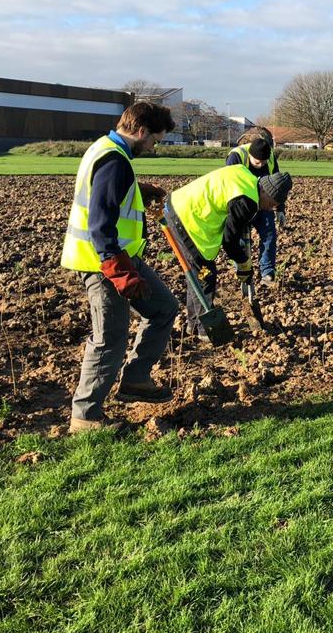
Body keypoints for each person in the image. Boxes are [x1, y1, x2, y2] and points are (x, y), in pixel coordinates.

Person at [60, 102, 180, 434]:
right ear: (141, 131)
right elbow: (100, 221)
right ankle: (85, 417)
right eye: (155, 140)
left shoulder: (108, 149)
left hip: (123, 259)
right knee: (109, 338)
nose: (154, 147)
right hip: (103, 264)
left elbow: (108, 194)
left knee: (164, 308)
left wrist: (140, 192)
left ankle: (136, 379)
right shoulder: (115, 160)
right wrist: (116, 268)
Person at [164, 166, 293, 338]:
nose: (269, 209)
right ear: (264, 190)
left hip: (180, 206)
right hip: (187, 219)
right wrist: (243, 263)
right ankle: (207, 332)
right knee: (205, 275)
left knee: (198, 274)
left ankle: (193, 326)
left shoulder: (246, 177)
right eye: (270, 204)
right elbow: (229, 241)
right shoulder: (247, 200)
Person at [226, 127, 285, 284]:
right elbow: (230, 185)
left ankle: (267, 271)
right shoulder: (236, 156)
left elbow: (277, 186)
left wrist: (280, 209)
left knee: (269, 234)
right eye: (257, 162)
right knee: (238, 239)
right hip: (241, 204)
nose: (260, 166)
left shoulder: (270, 157)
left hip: (262, 204)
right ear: (251, 155)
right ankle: (241, 267)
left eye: (263, 163)